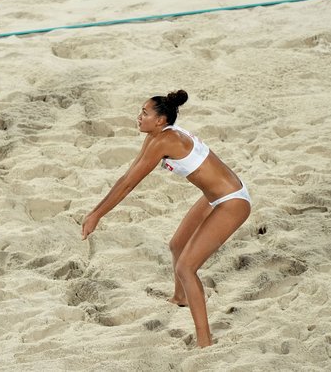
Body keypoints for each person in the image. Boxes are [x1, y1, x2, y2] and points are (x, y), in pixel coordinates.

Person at [81, 90, 251, 348]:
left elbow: (129, 185)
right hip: (213, 196)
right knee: (177, 245)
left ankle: (205, 342)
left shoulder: (166, 141)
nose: (139, 117)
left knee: (186, 267)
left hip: (233, 201)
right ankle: (180, 297)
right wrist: (96, 211)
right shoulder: (155, 136)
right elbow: (127, 177)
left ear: (160, 120)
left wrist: (96, 215)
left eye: (145, 113)